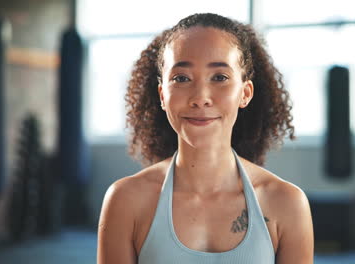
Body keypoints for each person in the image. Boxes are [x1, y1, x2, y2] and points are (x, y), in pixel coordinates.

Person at [97, 13, 314, 264]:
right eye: (182, 78)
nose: (200, 97)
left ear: (245, 93)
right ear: (162, 95)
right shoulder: (125, 201)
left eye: (220, 77)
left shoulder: (286, 203)